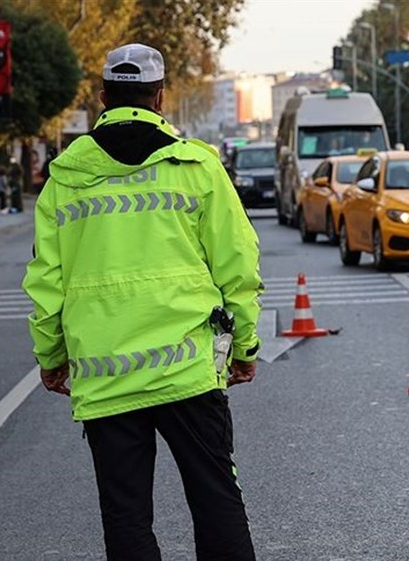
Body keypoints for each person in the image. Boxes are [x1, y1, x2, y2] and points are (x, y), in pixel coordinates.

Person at [23, 43, 262, 561]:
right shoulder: (196, 165)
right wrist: (244, 344)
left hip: (107, 375)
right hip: (188, 370)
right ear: (160, 97)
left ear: (104, 96)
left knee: (126, 516)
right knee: (217, 500)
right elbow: (237, 264)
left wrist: (51, 356)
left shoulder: (64, 178)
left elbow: (46, 282)